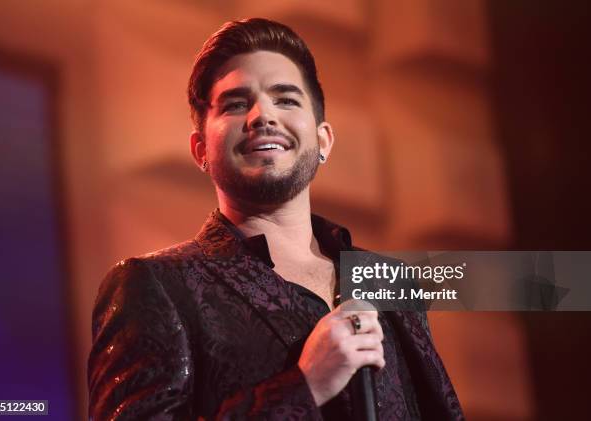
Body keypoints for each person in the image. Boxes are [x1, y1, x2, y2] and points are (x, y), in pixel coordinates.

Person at [88, 18, 463, 420]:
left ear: (323, 141)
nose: (262, 115)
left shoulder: (389, 282)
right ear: (200, 150)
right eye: (235, 104)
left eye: (286, 99)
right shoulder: (156, 286)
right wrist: (304, 387)